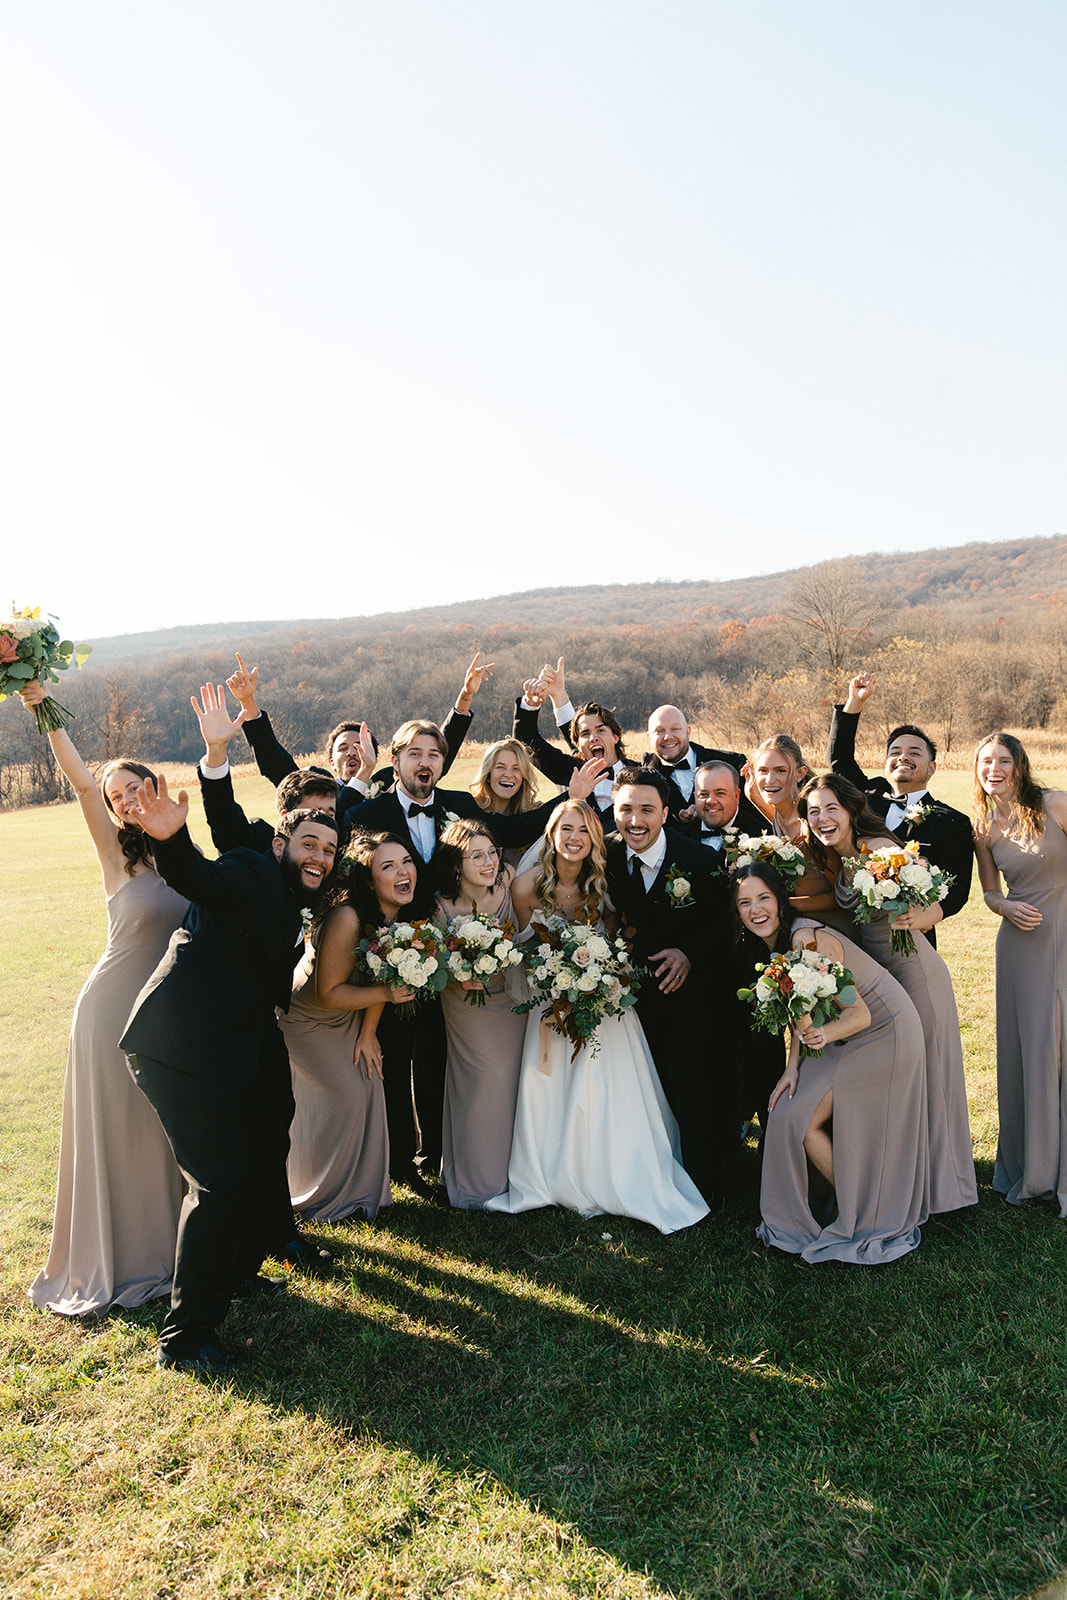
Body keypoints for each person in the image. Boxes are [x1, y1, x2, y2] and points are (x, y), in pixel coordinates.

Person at [120, 778, 338, 1375]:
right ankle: (186, 1338)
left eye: (329, 849)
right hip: (181, 1049)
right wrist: (169, 838)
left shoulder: (295, 897)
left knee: (268, 1135)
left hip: (238, 1042)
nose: (319, 855)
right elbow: (202, 880)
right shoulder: (249, 868)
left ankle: (241, 1270)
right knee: (218, 1183)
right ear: (279, 844)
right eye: (309, 842)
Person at [347, 718, 605, 1178]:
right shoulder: (371, 812)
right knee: (393, 1052)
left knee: (436, 1059)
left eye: (433, 756)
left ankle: (437, 1153)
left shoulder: (459, 805)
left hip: (451, 957)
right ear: (396, 760)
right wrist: (359, 776)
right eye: (415, 754)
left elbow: (511, 831)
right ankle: (400, 1161)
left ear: (442, 764)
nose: (425, 763)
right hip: (392, 955)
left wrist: (571, 797)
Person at [19, 682, 186, 1318]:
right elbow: (84, 786)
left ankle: (175, 1247)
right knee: (123, 1129)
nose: (121, 801)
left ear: (156, 786)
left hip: (173, 1011)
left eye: (131, 789)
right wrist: (44, 711)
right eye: (115, 797)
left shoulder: (182, 848)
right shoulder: (117, 855)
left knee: (166, 1129)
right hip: (113, 1010)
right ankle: (123, 1259)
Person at [486, 801, 708, 1233]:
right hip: (550, 1004)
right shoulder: (526, 886)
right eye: (566, 829)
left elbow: (613, 939)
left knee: (609, 1084)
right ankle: (552, 1174)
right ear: (551, 835)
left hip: (603, 1002)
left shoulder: (603, 884)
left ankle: (619, 1171)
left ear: (594, 839)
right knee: (551, 1087)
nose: (574, 839)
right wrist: (559, 976)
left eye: (584, 831)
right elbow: (523, 950)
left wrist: (599, 975)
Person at [801, 772, 978, 1216]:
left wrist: (921, 911)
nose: (822, 818)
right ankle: (908, 1179)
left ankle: (940, 1190)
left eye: (830, 809)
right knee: (906, 1079)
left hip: (913, 970)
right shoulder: (840, 857)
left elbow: (930, 887)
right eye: (813, 811)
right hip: (884, 976)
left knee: (928, 1076)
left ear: (850, 810)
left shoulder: (877, 848)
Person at [735, 863, 927, 1264]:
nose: (756, 910)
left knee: (803, 1123)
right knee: (787, 1111)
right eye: (744, 903)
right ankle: (836, 1203)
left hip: (882, 1033)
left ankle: (864, 1211)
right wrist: (792, 1068)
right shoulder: (774, 949)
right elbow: (799, 1012)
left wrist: (820, 1039)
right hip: (842, 1037)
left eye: (764, 898)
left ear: (780, 901)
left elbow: (859, 1015)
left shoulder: (807, 943)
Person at [604, 768, 741, 1201]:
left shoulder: (701, 860)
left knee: (689, 1087)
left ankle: (699, 1181)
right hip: (623, 1003)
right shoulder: (602, 856)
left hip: (688, 1000)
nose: (635, 820)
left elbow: (727, 926)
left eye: (647, 809)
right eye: (625, 809)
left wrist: (689, 954)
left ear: (666, 812)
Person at [284, 831, 422, 1212]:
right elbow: (329, 993)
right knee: (348, 1093)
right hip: (307, 1018)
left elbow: (382, 976)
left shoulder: (396, 915)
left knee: (369, 1081)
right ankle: (319, 1195)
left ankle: (359, 1193)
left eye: (406, 861)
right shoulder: (348, 917)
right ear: (368, 877)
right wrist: (386, 997)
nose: (402, 872)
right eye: (388, 866)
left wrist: (369, 1034)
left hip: (347, 1014)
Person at [973, 733, 1067, 1216]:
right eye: (986, 761)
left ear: (1019, 765)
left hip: (1064, 934)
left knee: (1056, 1049)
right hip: (1019, 945)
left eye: (1003, 760)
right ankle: (1034, 1168)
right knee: (1029, 1052)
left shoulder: (1055, 803)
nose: (994, 768)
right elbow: (989, 892)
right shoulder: (983, 827)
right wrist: (1005, 905)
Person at [826, 672, 973, 942]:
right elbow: (839, 760)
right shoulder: (866, 795)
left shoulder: (952, 821)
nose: (903, 756)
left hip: (911, 933)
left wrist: (929, 915)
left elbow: (959, 888)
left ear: (932, 768)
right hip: (854, 927)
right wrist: (854, 702)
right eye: (895, 752)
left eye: (914, 752)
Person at [434, 819, 527, 1207]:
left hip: (511, 997)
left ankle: (515, 1173)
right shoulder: (439, 904)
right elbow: (433, 961)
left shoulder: (507, 881)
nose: (489, 862)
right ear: (457, 864)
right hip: (465, 1001)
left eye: (492, 853)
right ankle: (476, 1180)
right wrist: (457, 978)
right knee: (482, 1078)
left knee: (513, 1079)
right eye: (477, 856)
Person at [744, 735, 855, 936]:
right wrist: (753, 795)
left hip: (836, 931)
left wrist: (784, 906)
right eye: (763, 771)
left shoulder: (813, 824)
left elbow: (840, 896)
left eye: (780, 770)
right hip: (803, 929)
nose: (769, 780)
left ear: (800, 773)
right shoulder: (779, 816)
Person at [642, 704, 747, 821]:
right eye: (659, 731)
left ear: (688, 731)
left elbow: (753, 818)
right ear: (649, 738)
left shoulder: (732, 763)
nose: (667, 737)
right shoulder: (645, 775)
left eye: (675, 729)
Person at [468, 737, 542, 868]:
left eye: (516, 769)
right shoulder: (469, 809)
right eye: (500, 767)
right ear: (488, 774)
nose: (508, 775)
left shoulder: (531, 815)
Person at [682, 760, 766, 858]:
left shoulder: (763, 839)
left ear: (737, 796)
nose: (711, 801)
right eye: (703, 794)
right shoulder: (680, 838)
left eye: (720, 793)